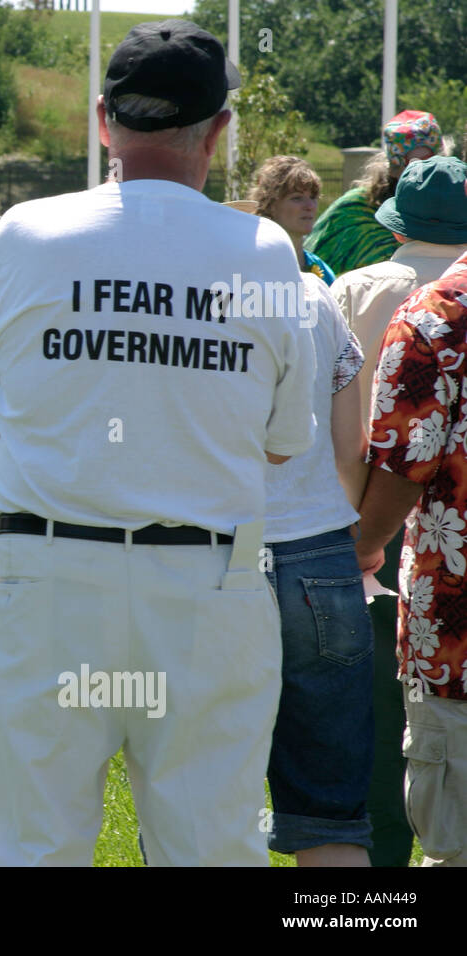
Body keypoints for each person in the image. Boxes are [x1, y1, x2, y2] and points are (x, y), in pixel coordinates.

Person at [0, 19, 317, 866]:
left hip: (46, 576)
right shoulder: (266, 251)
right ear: (219, 132)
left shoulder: (26, 231)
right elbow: (281, 443)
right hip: (204, 584)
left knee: (27, 846)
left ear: (101, 120)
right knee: (210, 846)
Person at [330, 155, 467, 866]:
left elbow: (402, 458)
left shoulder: (409, 306)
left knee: (378, 737)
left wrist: (358, 544)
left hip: (429, 578)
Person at [237, 182, 375, 865]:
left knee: (198, 794)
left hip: (217, 554)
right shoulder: (316, 298)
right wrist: (349, 527)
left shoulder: (192, 306)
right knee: (329, 807)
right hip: (318, 551)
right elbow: (352, 445)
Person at [305, 110, 444, 277]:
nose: (423, 174)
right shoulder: (353, 213)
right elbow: (311, 269)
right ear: (393, 168)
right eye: (413, 165)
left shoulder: (454, 208)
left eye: (430, 162)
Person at [245, 156, 336, 283]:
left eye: (313, 197)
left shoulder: (323, 271)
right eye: (297, 198)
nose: (310, 206)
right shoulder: (250, 266)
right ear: (270, 205)